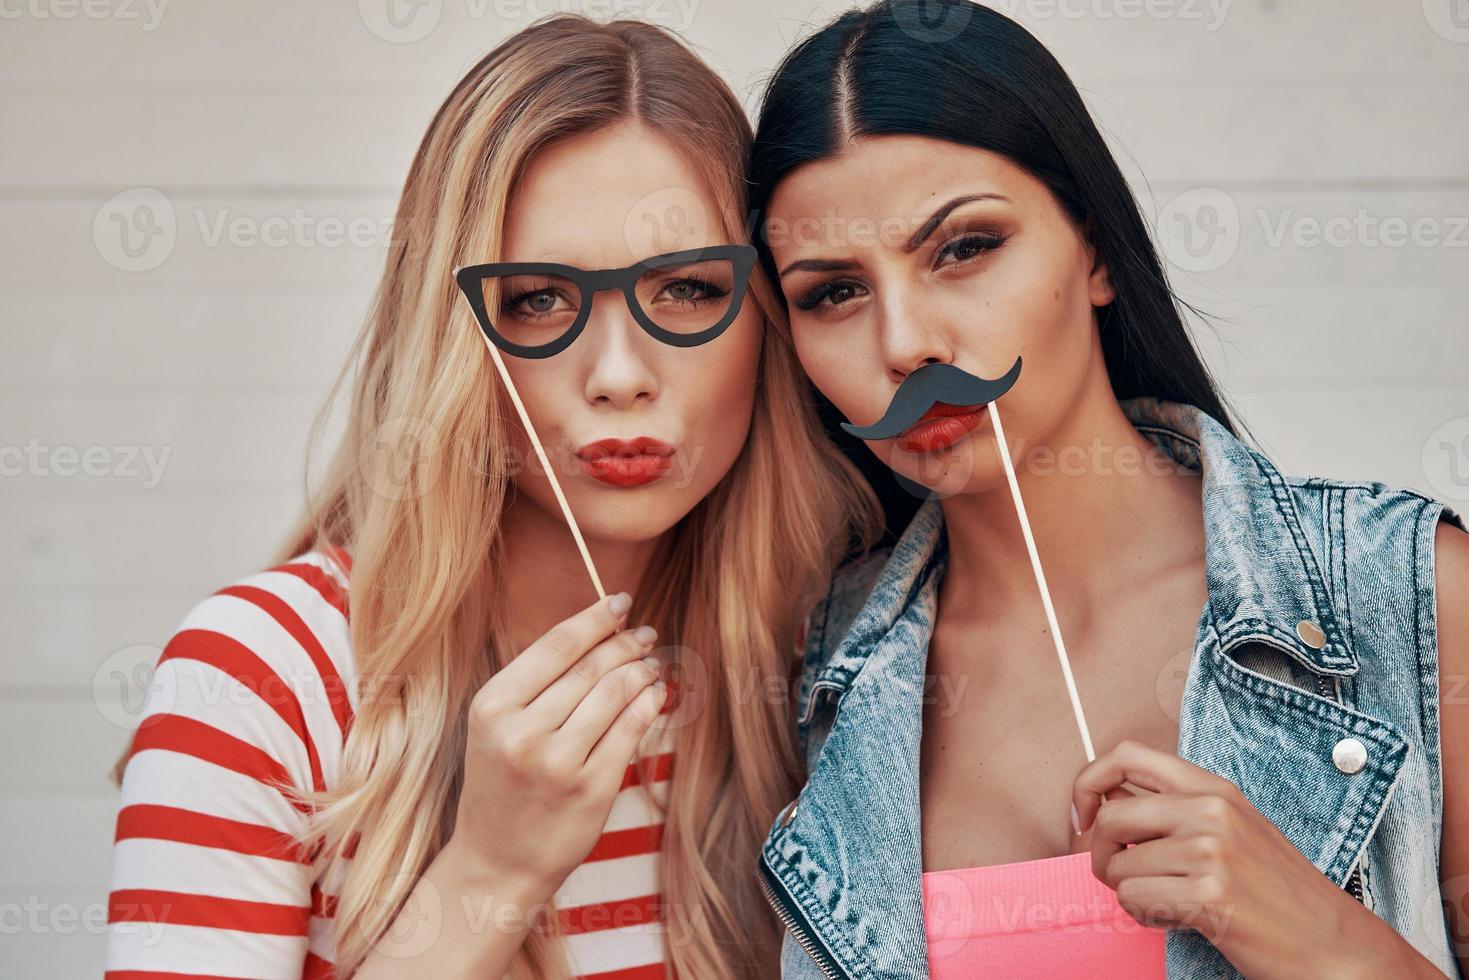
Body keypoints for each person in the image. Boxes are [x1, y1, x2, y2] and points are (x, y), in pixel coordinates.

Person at [103, 15, 879, 980]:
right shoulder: (260, 679)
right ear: (451, 335)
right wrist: (492, 872)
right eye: (538, 299)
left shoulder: (840, 661)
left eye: (684, 288)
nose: (620, 375)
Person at [746, 1, 1469, 977]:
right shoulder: (811, 671)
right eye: (832, 291)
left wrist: (1319, 932)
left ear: (1089, 249)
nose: (903, 341)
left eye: (961, 247)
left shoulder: (1403, 594)